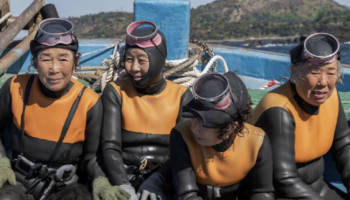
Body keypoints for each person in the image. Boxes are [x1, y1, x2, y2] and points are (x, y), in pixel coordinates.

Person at [0, 15, 130, 200]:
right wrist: (1, 163)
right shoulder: (15, 88)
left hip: (64, 187)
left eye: (63, 59)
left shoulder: (89, 103)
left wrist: (101, 182)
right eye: (45, 59)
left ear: (75, 61)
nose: (54, 69)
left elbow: (92, 158)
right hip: (17, 180)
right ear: (35, 61)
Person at [249, 33, 350, 200]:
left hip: (318, 187)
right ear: (295, 73)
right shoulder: (279, 110)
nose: (323, 82)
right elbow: (284, 179)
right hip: (278, 193)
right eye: (315, 72)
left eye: (331, 73)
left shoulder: (330, 97)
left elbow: (344, 144)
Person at [100, 20, 192, 199]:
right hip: (123, 176)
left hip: (165, 178)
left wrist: (157, 181)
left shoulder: (182, 96)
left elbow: (183, 151)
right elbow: (109, 146)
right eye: (128, 59)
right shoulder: (115, 92)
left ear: (159, 58)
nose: (134, 68)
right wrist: (123, 186)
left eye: (142, 60)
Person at [170, 72, 275, 200]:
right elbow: (187, 195)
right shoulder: (181, 136)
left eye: (204, 123)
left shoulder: (257, 141)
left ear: (231, 128)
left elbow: (262, 192)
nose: (194, 128)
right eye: (193, 117)